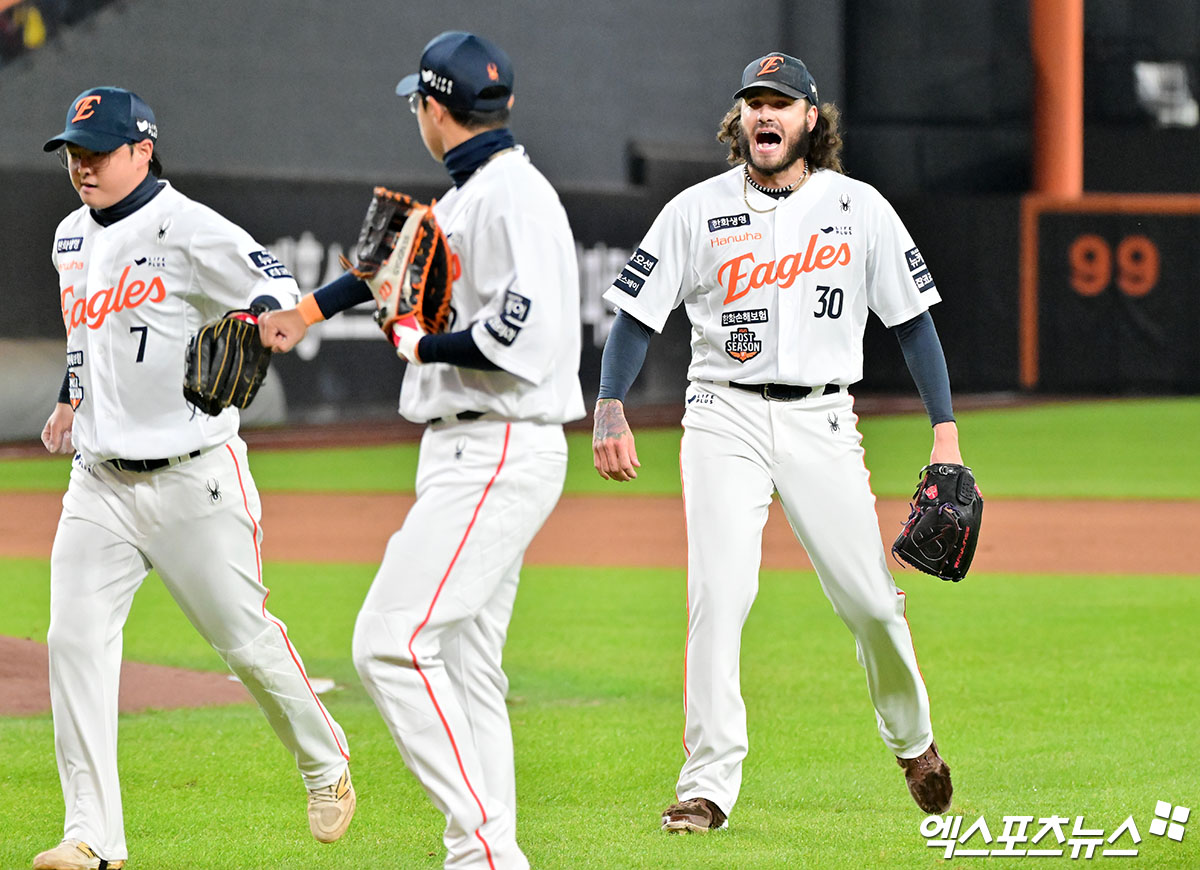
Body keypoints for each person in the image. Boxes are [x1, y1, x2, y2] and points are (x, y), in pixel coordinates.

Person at [592, 52, 960, 832]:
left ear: (809, 120)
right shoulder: (695, 210)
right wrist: (609, 405)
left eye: (781, 102)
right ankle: (707, 786)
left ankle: (914, 742)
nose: (765, 113)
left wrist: (946, 436)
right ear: (740, 120)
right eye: (754, 101)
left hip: (822, 419)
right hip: (721, 416)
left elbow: (913, 325)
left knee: (871, 603)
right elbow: (635, 317)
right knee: (718, 596)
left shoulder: (858, 208)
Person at [259, 31, 584, 870]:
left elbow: (524, 335)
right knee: (468, 666)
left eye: (418, 101)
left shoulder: (511, 198)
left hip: (497, 445)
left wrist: (422, 345)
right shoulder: (472, 193)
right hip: (474, 446)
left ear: (434, 108)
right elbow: (384, 270)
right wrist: (306, 313)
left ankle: (485, 848)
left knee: (389, 640)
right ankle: (482, 857)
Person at [35, 86, 355, 870]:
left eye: (97, 152)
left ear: (142, 150)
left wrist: (265, 315)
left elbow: (271, 280)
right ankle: (92, 838)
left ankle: (324, 762)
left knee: (244, 642)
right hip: (99, 482)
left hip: (194, 479)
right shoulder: (70, 236)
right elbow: (84, 335)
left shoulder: (187, 226)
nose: (82, 166)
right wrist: (70, 399)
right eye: (73, 152)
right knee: (73, 642)